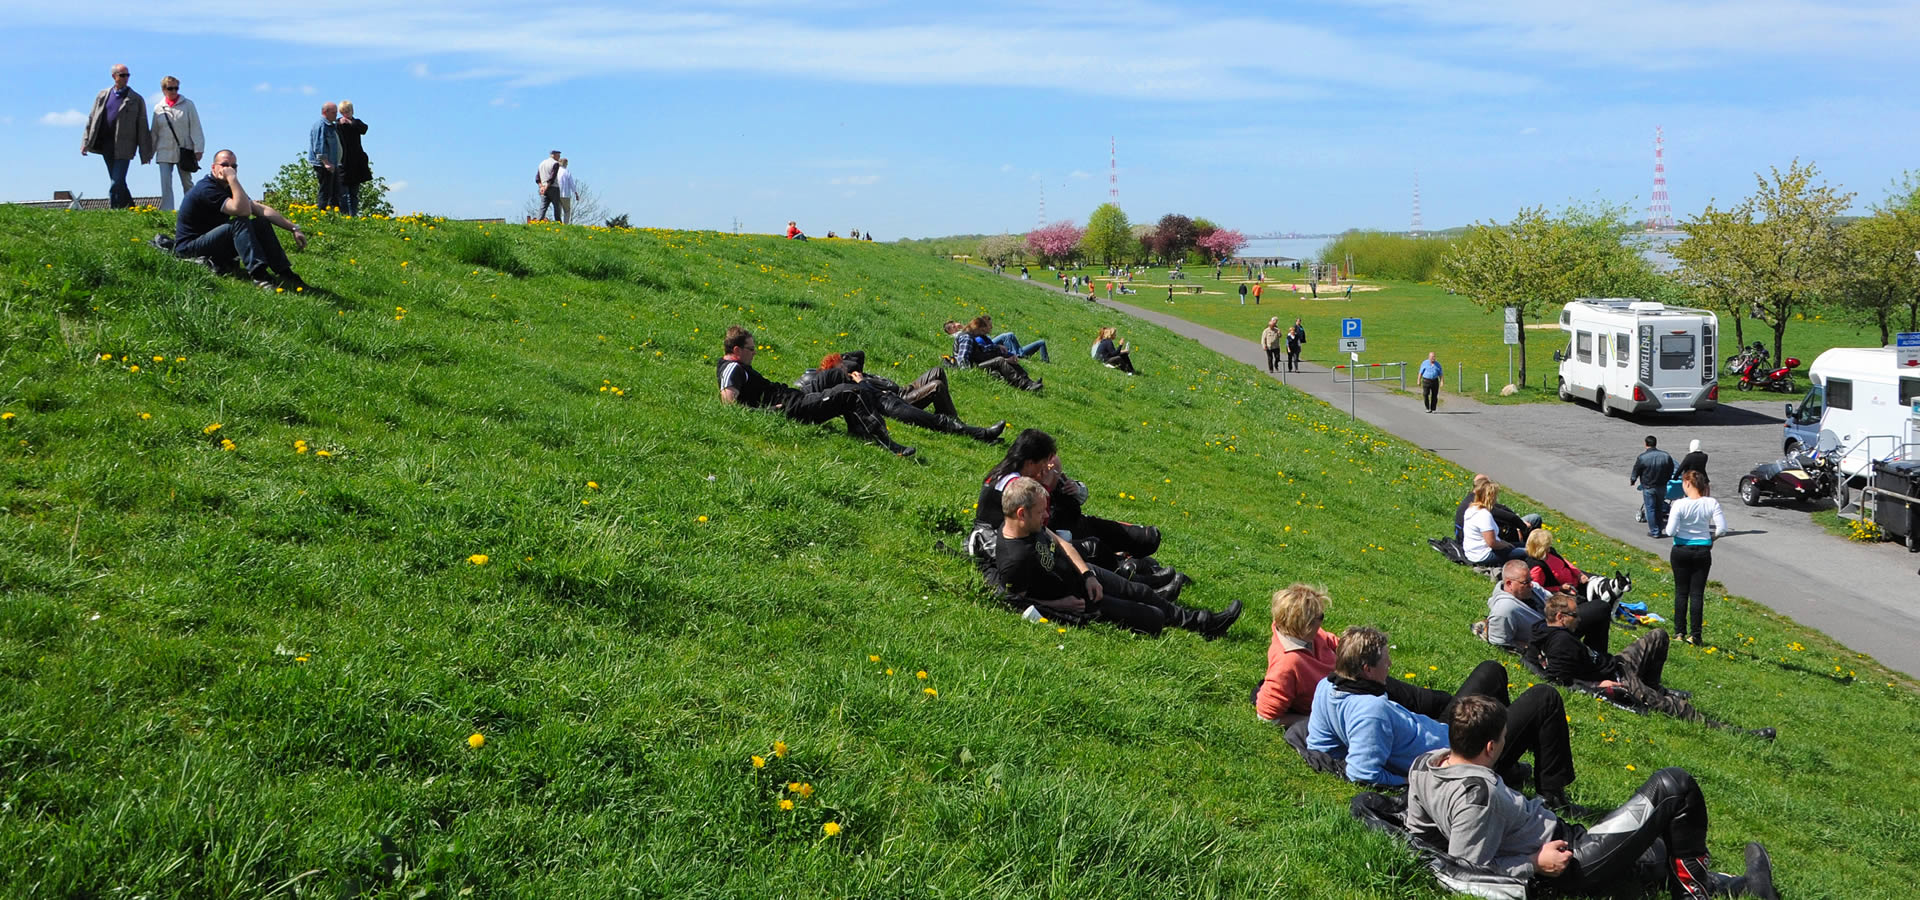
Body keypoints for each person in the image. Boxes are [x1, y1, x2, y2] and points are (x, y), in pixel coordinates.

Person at [1406, 696, 1781, 899]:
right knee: (1673, 786)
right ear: (1490, 746)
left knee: (1656, 852)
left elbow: (1418, 833)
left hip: (1566, 837)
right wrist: (1534, 863)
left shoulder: (1426, 765)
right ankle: (1699, 892)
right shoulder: (1478, 796)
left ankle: (1731, 884)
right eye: (1504, 738)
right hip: (1572, 861)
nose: (1506, 744)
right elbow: (1464, 873)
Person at [1306, 626, 1576, 809]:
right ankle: (1552, 796)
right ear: (1367, 669)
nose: (1390, 665)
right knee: (1544, 697)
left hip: (1444, 730)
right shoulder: (1369, 712)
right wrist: (1408, 781)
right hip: (1460, 756)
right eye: (1385, 660)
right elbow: (1362, 774)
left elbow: (1319, 745)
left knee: (1491, 670)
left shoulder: (1327, 687)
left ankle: (1505, 763)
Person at [994, 476, 1240, 639]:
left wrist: (1088, 574)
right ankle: (1188, 622)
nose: (1046, 515)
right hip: (1080, 602)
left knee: (1141, 592)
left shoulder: (1032, 527)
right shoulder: (1015, 558)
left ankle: (1204, 623)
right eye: (1040, 512)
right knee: (1151, 618)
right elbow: (1016, 601)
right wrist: (1062, 606)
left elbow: (1062, 544)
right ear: (1021, 514)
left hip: (1084, 575)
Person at [1532, 595, 1774, 739]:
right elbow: (1559, 680)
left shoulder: (1549, 630)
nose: (1580, 619)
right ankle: (1732, 732)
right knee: (1674, 707)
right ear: (1561, 617)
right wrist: (1597, 685)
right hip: (1619, 679)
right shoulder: (1561, 644)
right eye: (1575, 616)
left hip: (1618, 663)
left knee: (1658, 636)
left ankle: (1654, 686)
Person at [715, 326, 914, 456]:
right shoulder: (732, 368)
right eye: (751, 348)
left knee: (839, 381)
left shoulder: (738, 367)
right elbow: (729, 406)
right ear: (736, 351)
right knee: (852, 392)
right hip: (792, 408)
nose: (755, 352)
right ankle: (888, 444)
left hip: (795, 397)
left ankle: (860, 430)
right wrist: (769, 412)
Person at [173, 150, 311, 291]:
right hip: (189, 248)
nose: (229, 169)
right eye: (225, 165)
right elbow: (243, 211)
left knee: (261, 223)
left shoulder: (228, 187)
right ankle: (259, 276)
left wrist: (294, 228)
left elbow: (259, 209)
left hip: (213, 243)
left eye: (234, 166)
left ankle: (285, 272)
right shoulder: (206, 188)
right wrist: (233, 179)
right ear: (214, 168)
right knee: (240, 222)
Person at [796, 351, 1005, 443]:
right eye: (841, 365)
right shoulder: (847, 385)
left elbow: (858, 354)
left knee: (936, 373)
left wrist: (841, 361)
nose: (847, 366)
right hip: (893, 404)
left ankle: (966, 428)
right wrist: (860, 381)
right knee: (937, 399)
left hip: (895, 394)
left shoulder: (854, 373)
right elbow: (865, 396)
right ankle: (981, 433)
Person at [1665, 470, 1727, 646]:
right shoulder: (1711, 503)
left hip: (1681, 550)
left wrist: (1681, 533)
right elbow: (1722, 529)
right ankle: (1696, 635)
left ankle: (1679, 632)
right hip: (1702, 551)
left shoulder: (1679, 504)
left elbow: (1670, 531)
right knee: (1697, 594)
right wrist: (1710, 538)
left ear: (1687, 484)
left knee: (1681, 592)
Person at [81, 64, 152, 209]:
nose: (126, 78)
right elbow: (91, 119)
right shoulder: (102, 95)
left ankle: (114, 212)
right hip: (106, 144)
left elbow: (143, 127)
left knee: (116, 182)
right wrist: (85, 142)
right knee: (118, 181)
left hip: (125, 146)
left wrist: (145, 152)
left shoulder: (136, 99)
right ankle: (131, 208)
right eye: (122, 75)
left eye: (127, 75)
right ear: (114, 77)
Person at [149, 76, 204, 213]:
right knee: (165, 183)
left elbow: (196, 127)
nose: (174, 91)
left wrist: (198, 148)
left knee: (187, 182)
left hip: (184, 150)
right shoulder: (158, 108)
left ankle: (192, 209)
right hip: (164, 150)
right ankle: (168, 211)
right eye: (170, 88)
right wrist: (149, 152)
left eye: (176, 88)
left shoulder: (188, 105)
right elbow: (154, 131)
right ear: (163, 90)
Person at [944, 321, 1042, 392]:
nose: (985, 333)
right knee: (1000, 360)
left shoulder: (971, 337)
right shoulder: (966, 338)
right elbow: (962, 358)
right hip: (973, 367)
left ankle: (1028, 381)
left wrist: (997, 348)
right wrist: (967, 374)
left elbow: (982, 349)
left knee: (1004, 358)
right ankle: (1024, 385)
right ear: (976, 329)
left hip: (976, 362)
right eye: (983, 331)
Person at [1463, 482, 1529, 566]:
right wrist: (1506, 545)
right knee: (1529, 552)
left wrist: (1505, 543)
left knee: (1523, 545)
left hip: (1472, 552)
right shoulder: (1483, 515)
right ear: (1491, 497)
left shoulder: (1472, 509)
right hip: (1483, 555)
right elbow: (1492, 543)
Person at [1631, 435, 1676, 537]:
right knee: (1659, 507)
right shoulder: (1665, 455)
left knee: (1650, 509)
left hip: (1648, 486)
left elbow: (1636, 469)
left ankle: (1654, 531)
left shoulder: (1642, 457)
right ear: (1656, 443)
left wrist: (1633, 480)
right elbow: (1671, 468)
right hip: (1662, 486)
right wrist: (1667, 478)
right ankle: (1659, 528)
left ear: (1645, 444)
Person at [334, 101, 371, 217]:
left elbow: (364, 129)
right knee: (343, 193)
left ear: (352, 111)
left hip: (356, 163)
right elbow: (332, 127)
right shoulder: (338, 124)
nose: (346, 114)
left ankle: (353, 214)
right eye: (343, 112)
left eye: (348, 111)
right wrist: (339, 122)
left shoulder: (356, 123)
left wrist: (350, 122)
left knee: (354, 193)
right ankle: (345, 215)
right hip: (343, 162)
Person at [308, 102, 342, 211]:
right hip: (324, 164)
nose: (335, 115)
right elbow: (318, 145)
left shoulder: (331, 125)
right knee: (325, 191)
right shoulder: (321, 125)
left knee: (335, 192)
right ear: (325, 112)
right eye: (333, 112)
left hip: (333, 163)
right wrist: (326, 163)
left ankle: (334, 215)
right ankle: (322, 213)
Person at [976, 316, 1048, 362]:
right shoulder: (980, 338)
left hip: (1020, 350)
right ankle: (1017, 356)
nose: (992, 327)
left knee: (1041, 342)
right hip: (992, 346)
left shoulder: (987, 337)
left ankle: (1046, 362)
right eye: (990, 325)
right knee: (1008, 335)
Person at [535, 151, 562, 222]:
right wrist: (546, 187)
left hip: (543, 187)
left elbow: (537, 178)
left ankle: (538, 221)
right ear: (554, 155)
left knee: (543, 207)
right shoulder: (555, 164)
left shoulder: (542, 163)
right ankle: (558, 222)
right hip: (553, 187)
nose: (559, 157)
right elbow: (552, 177)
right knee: (557, 207)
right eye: (558, 155)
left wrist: (541, 187)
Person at [554, 158, 576, 224]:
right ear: (565, 164)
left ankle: (558, 224)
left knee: (558, 211)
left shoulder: (556, 171)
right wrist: (575, 192)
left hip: (557, 193)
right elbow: (572, 183)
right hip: (566, 194)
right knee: (567, 211)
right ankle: (565, 224)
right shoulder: (567, 172)